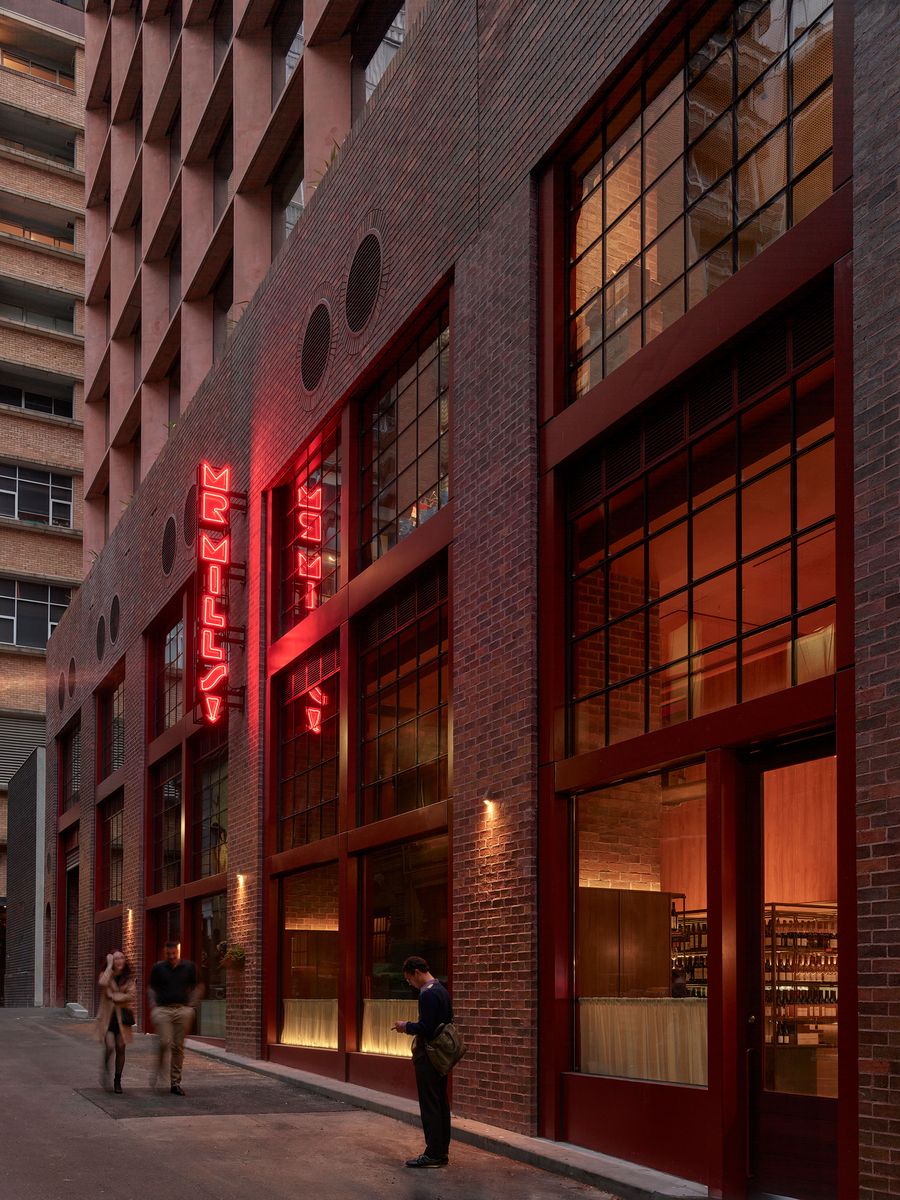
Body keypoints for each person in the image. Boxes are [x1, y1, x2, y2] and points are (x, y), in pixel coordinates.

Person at [392, 955, 453, 1168]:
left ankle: (433, 1153)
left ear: (416, 972)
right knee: (440, 1103)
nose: (410, 983)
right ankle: (440, 1151)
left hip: (429, 1055)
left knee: (430, 1105)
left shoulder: (427, 994)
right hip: (441, 1055)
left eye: (409, 979)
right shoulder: (441, 990)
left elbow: (426, 1027)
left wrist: (406, 1026)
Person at [148, 940, 200, 1096]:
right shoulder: (158, 968)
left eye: (174, 953)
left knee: (178, 1047)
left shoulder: (189, 967)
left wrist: (192, 1006)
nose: (171, 957)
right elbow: (151, 987)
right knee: (165, 1041)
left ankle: (175, 1083)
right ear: (165, 953)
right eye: (168, 954)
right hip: (163, 1009)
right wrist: (153, 1003)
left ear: (178, 952)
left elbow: (197, 986)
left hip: (182, 1010)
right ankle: (159, 1068)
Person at [96, 950, 136, 1095]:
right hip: (107, 1019)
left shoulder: (128, 978)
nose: (119, 961)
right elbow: (102, 983)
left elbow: (130, 995)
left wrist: (113, 996)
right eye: (116, 958)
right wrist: (109, 966)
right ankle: (106, 1065)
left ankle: (117, 1080)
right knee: (110, 1046)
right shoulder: (106, 974)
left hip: (122, 1019)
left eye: (121, 958)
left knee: (121, 1048)